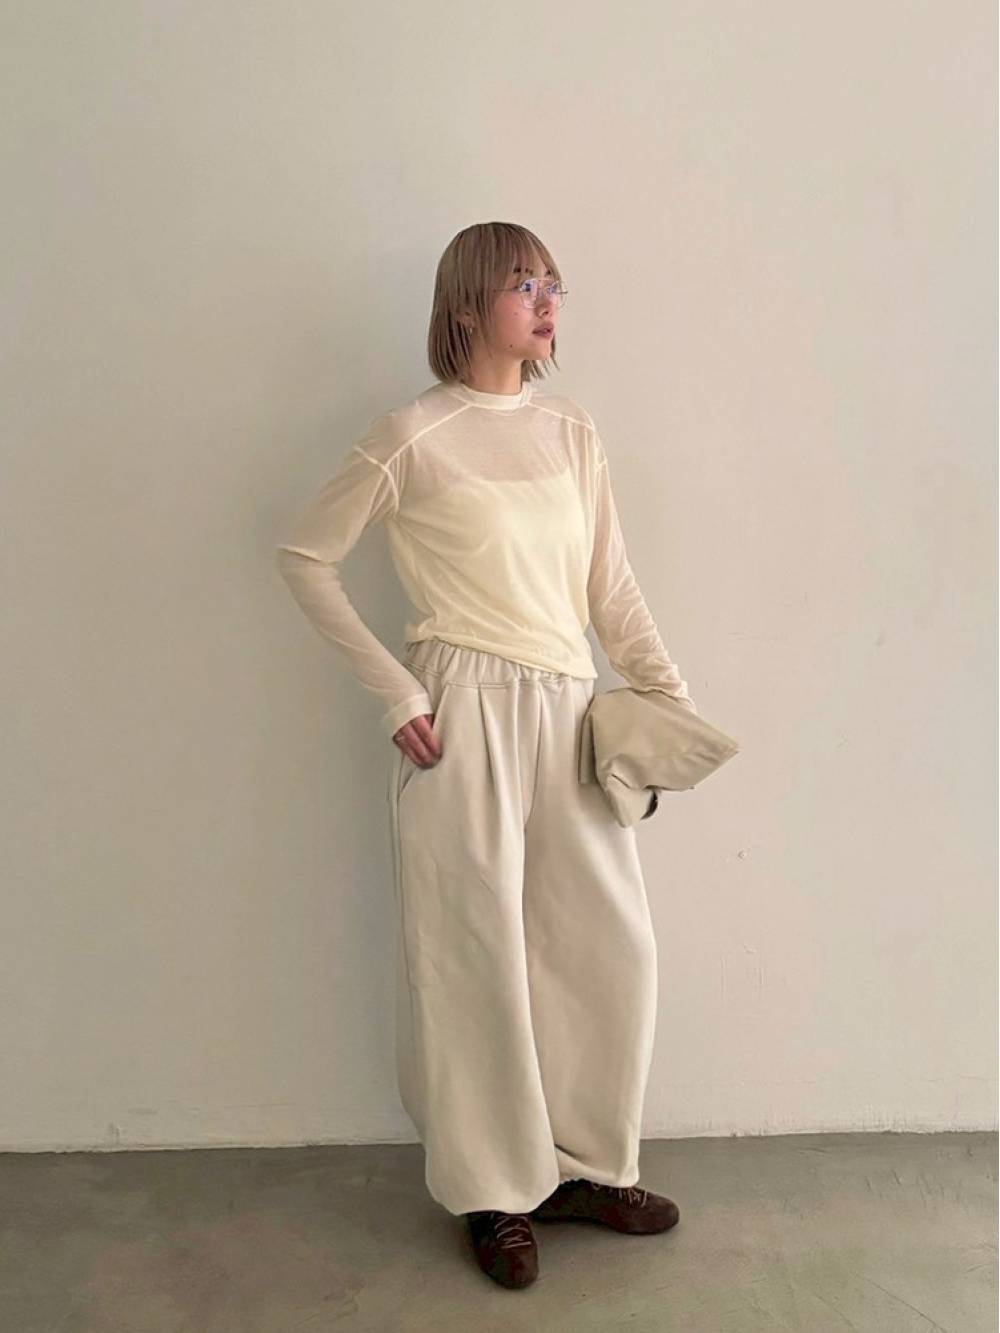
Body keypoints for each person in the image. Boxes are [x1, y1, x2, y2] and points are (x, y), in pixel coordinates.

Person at [276, 221, 690, 1288]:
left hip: (569, 710)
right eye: (523, 284)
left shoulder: (570, 430)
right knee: (475, 960)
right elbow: (306, 556)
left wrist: (666, 698)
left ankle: (587, 1166)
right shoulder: (412, 436)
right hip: (461, 711)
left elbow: (610, 586)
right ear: (466, 304)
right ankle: (494, 1191)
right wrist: (395, 691)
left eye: (554, 284)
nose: (548, 303)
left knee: (608, 949)